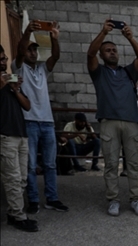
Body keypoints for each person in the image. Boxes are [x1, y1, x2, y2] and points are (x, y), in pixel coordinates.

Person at [87, 20, 138, 217]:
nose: (112, 52)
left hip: (131, 122)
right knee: (111, 164)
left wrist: (130, 38)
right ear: (102, 55)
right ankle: (113, 200)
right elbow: (90, 54)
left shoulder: (128, 72)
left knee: (134, 165)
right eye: (108, 50)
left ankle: (136, 199)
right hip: (109, 122)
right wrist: (103, 33)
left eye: (114, 50)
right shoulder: (99, 73)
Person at [17, 21, 68, 213]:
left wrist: (54, 38)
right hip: (29, 121)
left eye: (35, 50)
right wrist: (28, 32)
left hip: (47, 122)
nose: (32, 53)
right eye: (30, 50)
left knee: (50, 164)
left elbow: (55, 56)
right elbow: (20, 52)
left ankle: (52, 198)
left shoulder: (42, 70)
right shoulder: (19, 67)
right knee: (30, 165)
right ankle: (33, 200)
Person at [1, 45, 37, 232]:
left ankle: (13, 213)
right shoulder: (3, 81)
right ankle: (19, 216)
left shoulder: (9, 83)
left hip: (21, 135)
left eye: (4, 58)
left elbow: (28, 106)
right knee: (13, 178)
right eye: (0, 59)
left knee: (22, 178)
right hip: (5, 136)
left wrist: (15, 89)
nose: (4, 62)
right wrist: (5, 80)